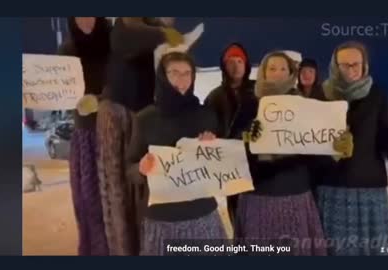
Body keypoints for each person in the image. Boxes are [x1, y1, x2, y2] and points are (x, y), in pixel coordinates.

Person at [237, 51, 352, 256]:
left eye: (283, 69)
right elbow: (236, 158)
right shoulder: (249, 104)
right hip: (259, 199)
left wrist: (337, 150)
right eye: (272, 68)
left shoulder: (304, 106)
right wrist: (245, 141)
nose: (278, 73)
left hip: (295, 195)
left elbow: (317, 158)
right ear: (263, 72)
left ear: (291, 73)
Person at [317, 41, 388, 256]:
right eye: (344, 65)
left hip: (369, 187)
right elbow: (307, 141)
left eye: (356, 64)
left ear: (364, 65)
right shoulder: (321, 95)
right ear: (335, 66)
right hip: (331, 187)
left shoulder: (378, 95)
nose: (351, 69)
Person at [96, 17, 183, 256]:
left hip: (144, 114)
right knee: (118, 192)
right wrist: (164, 33)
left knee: (144, 189)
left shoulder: (152, 28)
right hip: (118, 115)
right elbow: (125, 35)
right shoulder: (125, 27)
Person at [127, 52, 227, 256]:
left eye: (187, 73)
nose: (181, 79)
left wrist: (213, 149)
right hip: (161, 220)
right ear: (162, 76)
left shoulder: (206, 115)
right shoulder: (145, 118)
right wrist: (140, 168)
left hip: (202, 215)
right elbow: (129, 168)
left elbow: (222, 165)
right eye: (174, 73)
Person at [59, 17, 111, 256]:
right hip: (84, 135)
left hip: (112, 130)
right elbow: (59, 91)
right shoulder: (67, 50)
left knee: (114, 198)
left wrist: (99, 101)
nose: (86, 20)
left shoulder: (115, 44)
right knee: (88, 200)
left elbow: (127, 85)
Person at [204, 43, 258, 227]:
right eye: (230, 62)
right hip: (231, 164)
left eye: (239, 61)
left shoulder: (258, 92)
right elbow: (210, 129)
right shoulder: (214, 97)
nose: (235, 66)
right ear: (223, 66)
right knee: (237, 216)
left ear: (246, 64)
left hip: (257, 162)